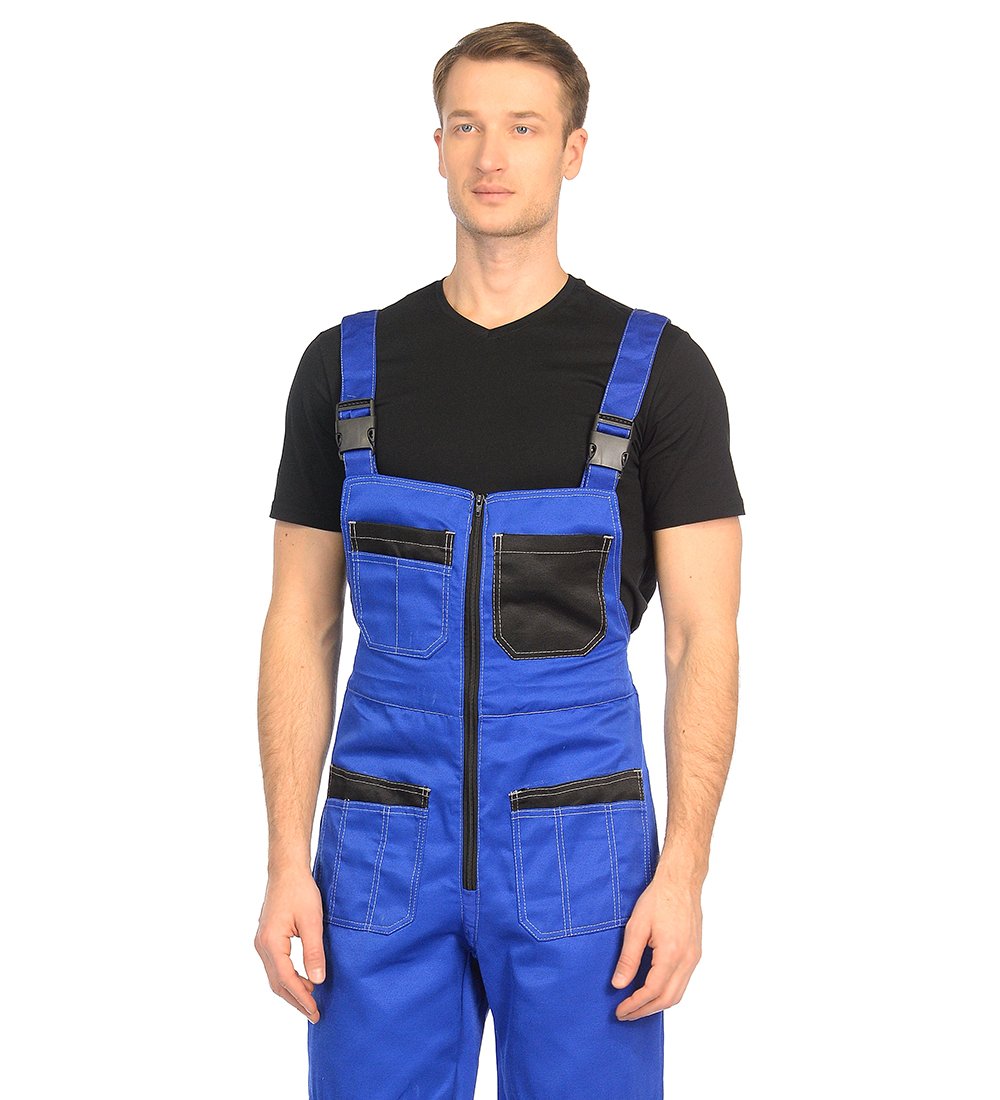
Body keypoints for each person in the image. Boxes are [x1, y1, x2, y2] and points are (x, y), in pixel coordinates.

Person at [255, 20, 744, 1100]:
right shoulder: (343, 367)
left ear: (573, 149)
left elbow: (703, 636)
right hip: (380, 851)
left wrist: (685, 873)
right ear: (435, 145)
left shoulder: (660, 371)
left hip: (585, 860)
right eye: (466, 124)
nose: (491, 154)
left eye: (523, 127)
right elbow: (301, 621)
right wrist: (287, 858)